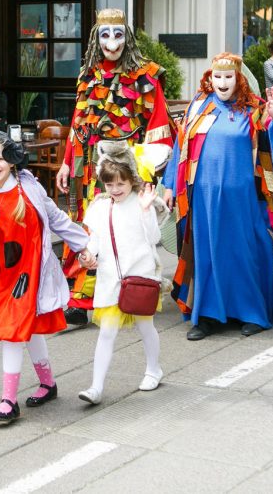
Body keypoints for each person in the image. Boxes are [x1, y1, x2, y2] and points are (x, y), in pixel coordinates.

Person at [163, 52, 273, 340]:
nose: (222, 82)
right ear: (210, 78)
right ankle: (207, 316)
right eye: (217, 77)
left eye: (228, 77)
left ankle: (252, 312)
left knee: (245, 253)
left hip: (244, 200)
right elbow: (181, 146)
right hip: (204, 200)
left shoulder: (255, 109)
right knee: (207, 254)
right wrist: (170, 185)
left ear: (239, 78)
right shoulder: (198, 107)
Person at [0, 131, 90, 423]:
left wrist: (83, 246)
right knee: (20, 329)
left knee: (15, 330)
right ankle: (48, 384)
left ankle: (8, 400)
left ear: (13, 161)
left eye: (1, 159)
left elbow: (55, 219)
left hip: (30, 272)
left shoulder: (29, 187)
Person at [54, 9, 172, 326]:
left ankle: (133, 291)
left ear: (127, 38)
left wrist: (148, 172)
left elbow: (159, 126)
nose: (111, 42)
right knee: (90, 231)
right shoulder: (88, 75)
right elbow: (79, 125)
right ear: (96, 38)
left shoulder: (145, 76)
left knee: (127, 232)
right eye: (105, 35)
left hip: (128, 170)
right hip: (92, 170)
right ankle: (81, 300)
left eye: (118, 34)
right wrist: (67, 164)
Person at [76, 141, 165, 404]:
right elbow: (94, 241)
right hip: (110, 280)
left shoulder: (141, 202)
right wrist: (88, 256)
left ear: (131, 180)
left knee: (145, 326)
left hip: (140, 277)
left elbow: (154, 238)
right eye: (110, 184)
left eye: (120, 184)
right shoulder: (100, 207)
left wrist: (148, 211)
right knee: (106, 332)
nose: (115, 190)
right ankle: (96, 387)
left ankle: (154, 369)